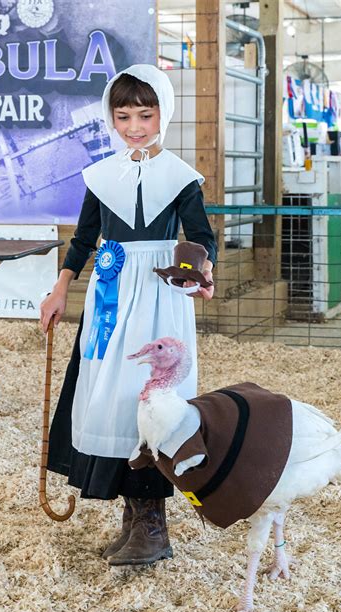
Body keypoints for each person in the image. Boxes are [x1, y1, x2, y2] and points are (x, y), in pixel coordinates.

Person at [40, 64, 217, 567]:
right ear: (111, 119)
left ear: (164, 112)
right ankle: (134, 517)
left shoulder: (181, 177)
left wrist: (201, 272)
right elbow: (82, 241)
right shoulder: (100, 177)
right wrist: (60, 290)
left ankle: (153, 523)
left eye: (146, 113)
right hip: (111, 297)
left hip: (159, 298)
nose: (135, 125)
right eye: (124, 115)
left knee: (153, 395)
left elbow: (202, 238)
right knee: (115, 393)